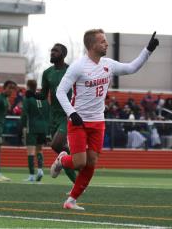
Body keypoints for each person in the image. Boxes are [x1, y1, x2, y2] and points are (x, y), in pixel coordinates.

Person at [51, 29, 159, 210]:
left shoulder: (108, 64)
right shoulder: (78, 66)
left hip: (98, 122)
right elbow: (60, 91)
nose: (106, 44)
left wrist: (148, 50)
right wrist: (72, 113)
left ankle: (71, 200)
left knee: (91, 161)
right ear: (92, 45)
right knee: (79, 162)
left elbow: (132, 67)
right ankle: (62, 160)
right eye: (102, 41)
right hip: (78, 122)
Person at [34, 43, 77, 184]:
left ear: (63, 54)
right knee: (61, 150)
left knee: (54, 145)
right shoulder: (47, 73)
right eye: (51, 50)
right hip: (53, 116)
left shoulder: (72, 71)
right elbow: (43, 95)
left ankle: (72, 162)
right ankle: (78, 183)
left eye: (55, 51)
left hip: (67, 115)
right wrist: (32, 94)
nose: (52, 53)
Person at [20, 79, 49, 182]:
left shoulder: (27, 98)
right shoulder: (43, 98)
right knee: (40, 150)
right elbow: (48, 113)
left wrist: (22, 127)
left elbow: (24, 114)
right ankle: (40, 170)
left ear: (28, 86)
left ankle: (32, 175)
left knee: (31, 152)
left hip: (32, 127)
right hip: (43, 127)